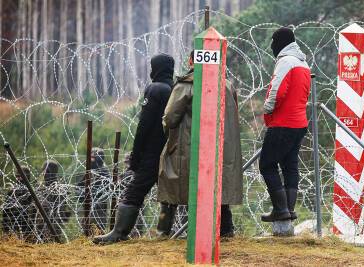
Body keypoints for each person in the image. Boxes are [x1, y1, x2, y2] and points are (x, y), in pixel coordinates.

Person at [157, 51, 243, 237]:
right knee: (217, 187)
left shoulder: (185, 85)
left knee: (173, 182)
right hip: (221, 149)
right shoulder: (227, 85)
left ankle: (163, 231)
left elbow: (169, 119)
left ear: (190, 61)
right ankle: (226, 230)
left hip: (187, 149)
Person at [93, 53, 175, 244]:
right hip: (169, 151)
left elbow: (144, 126)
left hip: (151, 152)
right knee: (168, 193)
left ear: (157, 68)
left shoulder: (155, 89)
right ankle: (164, 233)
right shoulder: (173, 88)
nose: (150, 70)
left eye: (152, 67)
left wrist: (137, 154)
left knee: (134, 192)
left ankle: (119, 232)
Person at [259, 27, 311, 223]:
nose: (272, 45)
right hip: (299, 124)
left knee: (267, 165)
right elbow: (305, 94)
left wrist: (267, 110)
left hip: (283, 123)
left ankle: (280, 210)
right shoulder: (303, 64)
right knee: (290, 166)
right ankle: (288, 210)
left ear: (280, 42)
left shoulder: (285, 62)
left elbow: (277, 91)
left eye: (273, 41)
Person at [35, 160, 70, 242]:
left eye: (47, 171)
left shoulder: (59, 189)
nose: (44, 174)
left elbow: (62, 210)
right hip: (40, 224)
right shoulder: (40, 187)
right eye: (43, 171)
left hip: (54, 225)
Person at [78, 147, 111, 233]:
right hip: (89, 207)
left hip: (98, 208)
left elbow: (103, 190)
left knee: (98, 231)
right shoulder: (91, 171)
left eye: (92, 157)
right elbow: (79, 186)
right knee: (86, 231)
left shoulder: (103, 172)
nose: (89, 160)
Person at [2, 166, 35, 241]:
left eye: (21, 176)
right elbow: (5, 212)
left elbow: (34, 212)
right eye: (17, 176)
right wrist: (5, 229)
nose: (18, 178)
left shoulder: (32, 192)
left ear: (27, 176)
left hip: (28, 227)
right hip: (14, 225)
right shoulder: (12, 192)